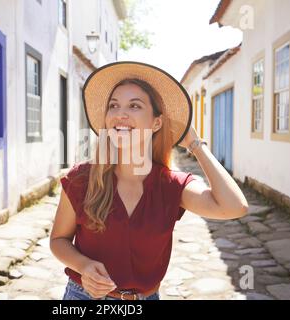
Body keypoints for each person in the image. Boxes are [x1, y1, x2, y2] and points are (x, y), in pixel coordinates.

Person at [50, 62, 248, 300]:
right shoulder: (81, 179)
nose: (120, 113)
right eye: (114, 105)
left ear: (156, 122)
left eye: (135, 105)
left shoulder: (172, 185)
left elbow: (234, 207)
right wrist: (83, 265)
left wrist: (196, 145)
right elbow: (58, 240)